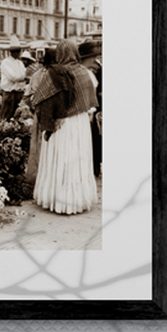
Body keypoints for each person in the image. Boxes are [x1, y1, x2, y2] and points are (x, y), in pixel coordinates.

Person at [32, 39, 98, 214]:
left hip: (61, 124)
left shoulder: (54, 73)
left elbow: (37, 98)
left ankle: (56, 199)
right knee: (77, 159)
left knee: (61, 157)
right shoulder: (84, 73)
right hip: (80, 123)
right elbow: (90, 101)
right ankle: (77, 200)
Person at [24, 48, 56, 184]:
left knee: (38, 145)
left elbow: (28, 96)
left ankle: (38, 177)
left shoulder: (36, 75)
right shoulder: (54, 74)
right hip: (52, 115)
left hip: (39, 114)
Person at [79, 40, 102, 177]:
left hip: (90, 113)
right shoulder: (85, 73)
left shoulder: (88, 72)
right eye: (93, 56)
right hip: (86, 113)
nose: (95, 59)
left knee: (92, 141)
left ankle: (93, 168)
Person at [0, 39, 26, 119]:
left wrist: (22, 77)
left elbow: (23, 74)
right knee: (6, 115)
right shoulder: (5, 62)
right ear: (13, 52)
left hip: (19, 92)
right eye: (18, 51)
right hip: (9, 93)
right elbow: (13, 77)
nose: (19, 53)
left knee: (17, 115)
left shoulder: (20, 63)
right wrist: (23, 77)